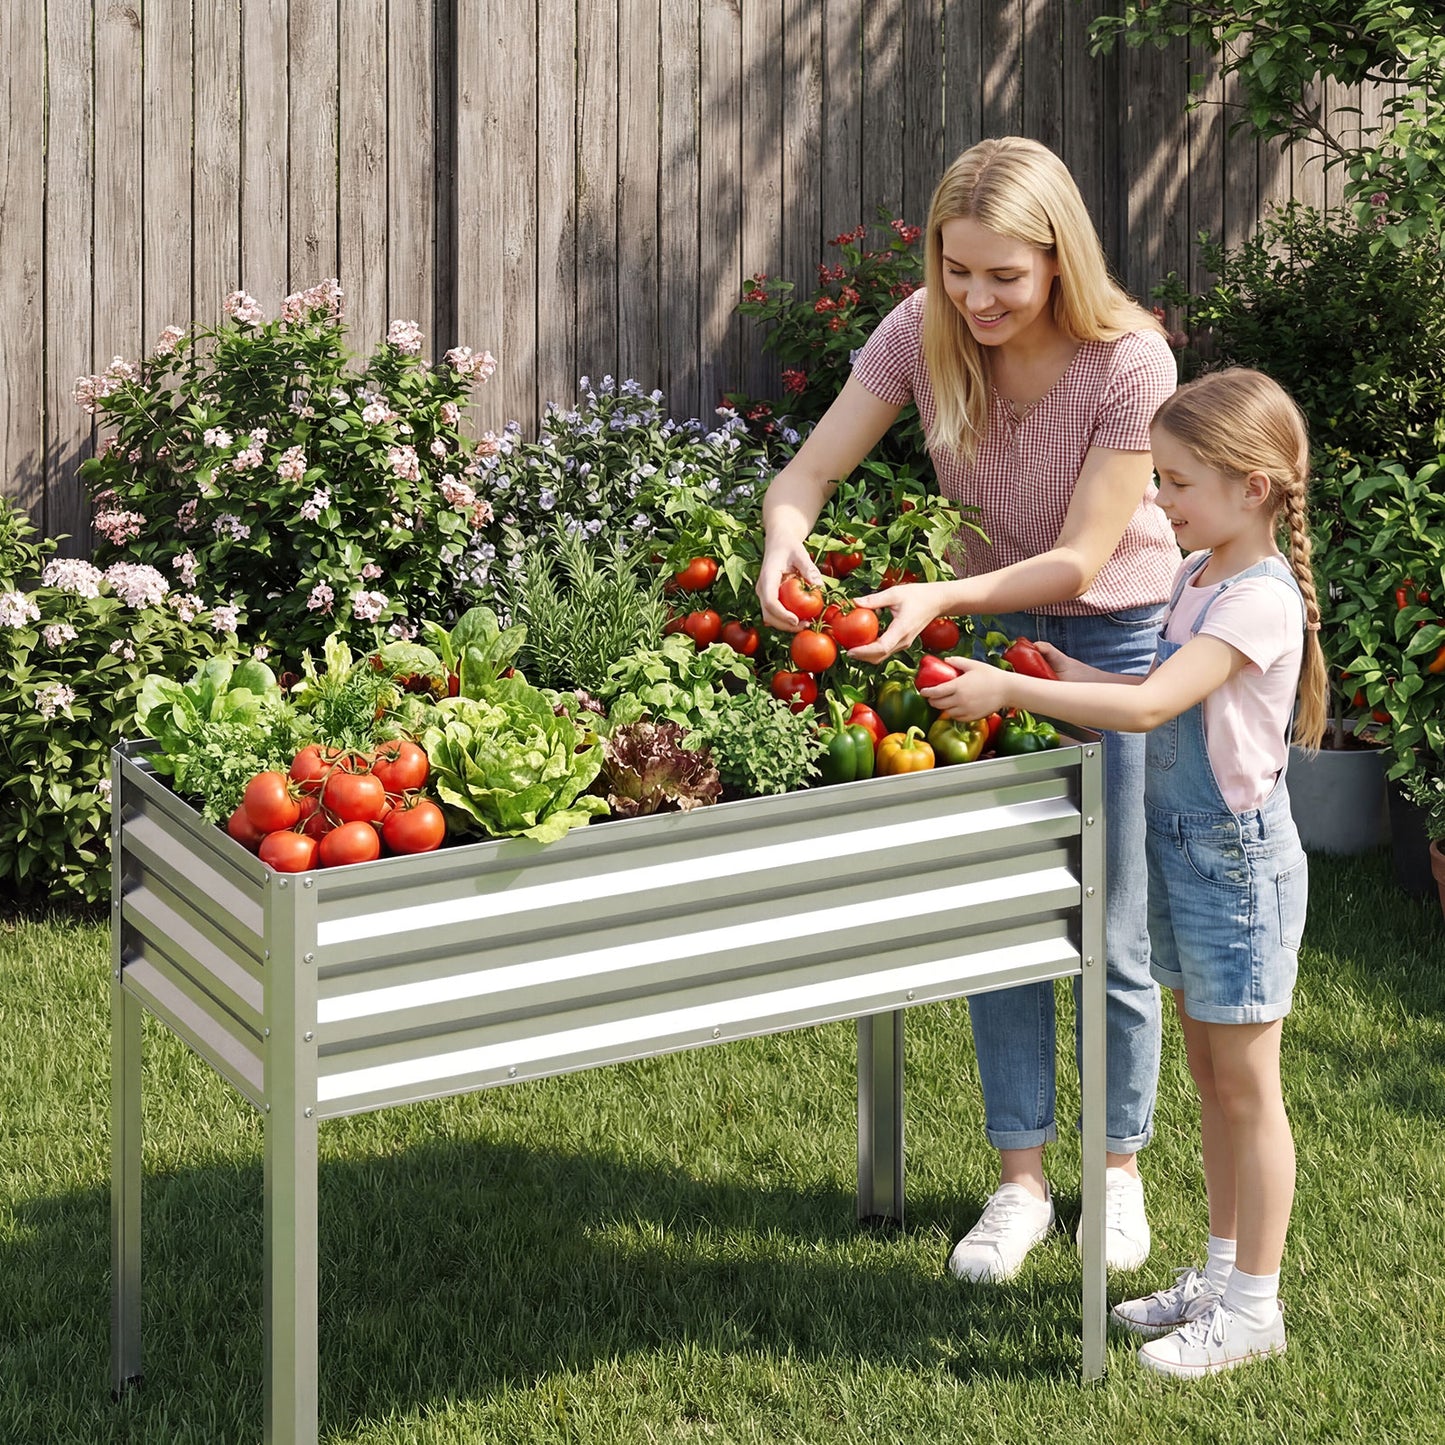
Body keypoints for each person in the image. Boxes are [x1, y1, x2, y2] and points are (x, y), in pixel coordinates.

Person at [757, 136, 1178, 1281]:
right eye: (957, 269)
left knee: (1110, 919)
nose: (976, 297)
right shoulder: (919, 331)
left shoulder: (1127, 359)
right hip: (984, 637)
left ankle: (1118, 1170)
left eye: (1004, 274)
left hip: (1114, 637)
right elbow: (805, 474)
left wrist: (940, 589)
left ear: (1057, 259)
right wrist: (781, 538)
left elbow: (1085, 559)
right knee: (1006, 914)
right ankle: (1019, 1182)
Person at [929, 367, 1327, 1376]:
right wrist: (1072, 677)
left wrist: (1008, 685)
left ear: (1252, 488)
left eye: (1177, 482)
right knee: (1209, 1078)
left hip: (1236, 870)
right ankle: (1220, 1270)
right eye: (1156, 477)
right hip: (1186, 856)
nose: (1157, 500)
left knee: (1246, 1091)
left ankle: (1253, 1308)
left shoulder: (1258, 601)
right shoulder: (1197, 578)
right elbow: (1153, 690)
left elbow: (1154, 714)